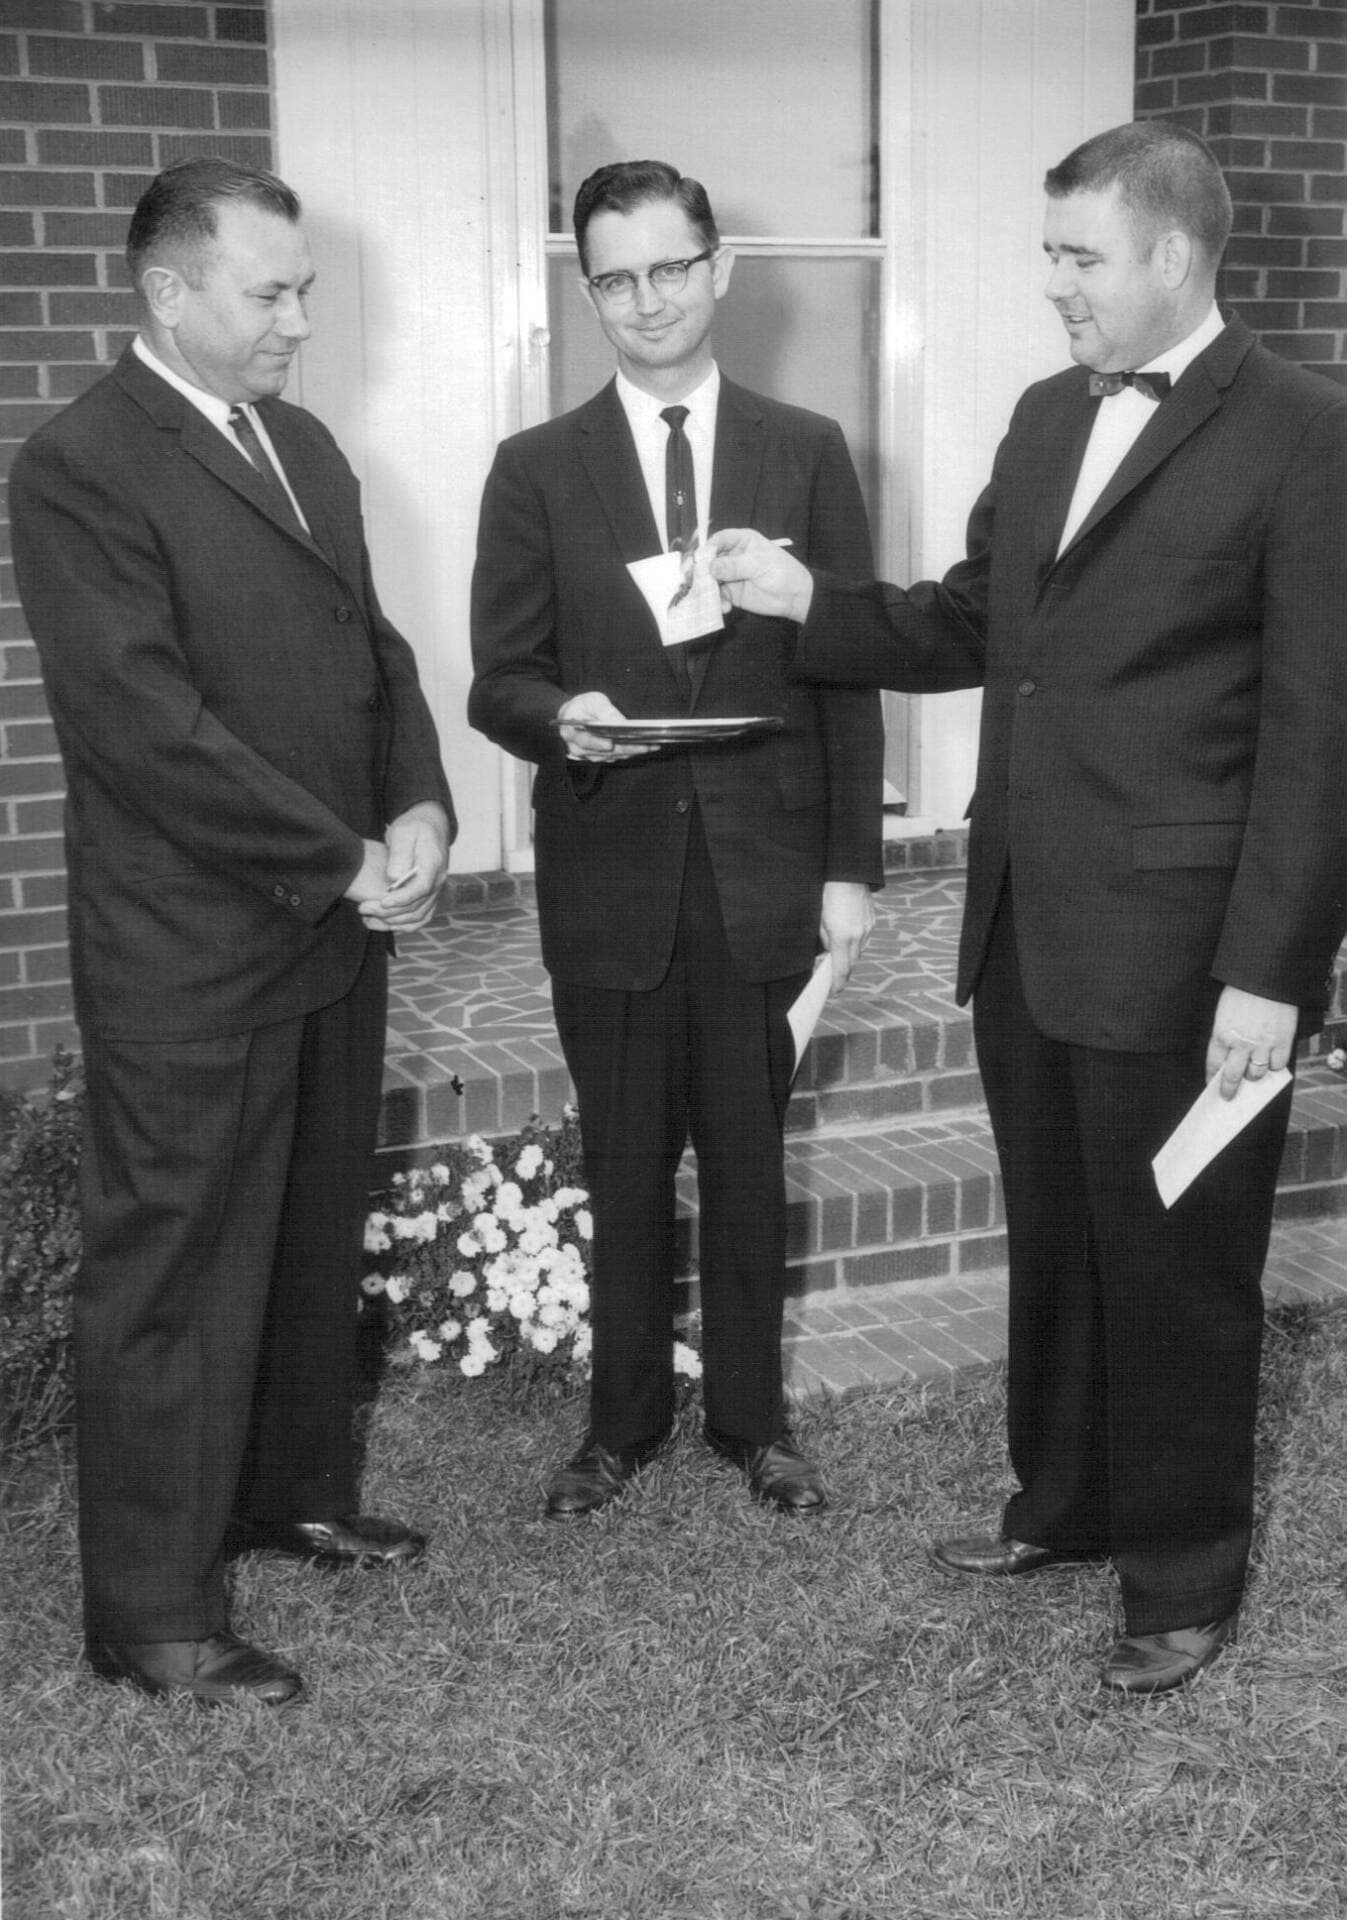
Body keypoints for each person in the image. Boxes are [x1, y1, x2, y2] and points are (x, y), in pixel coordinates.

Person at [710, 120, 1347, 1693]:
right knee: (1059, 1241)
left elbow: (1321, 731)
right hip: (1026, 931)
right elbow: (982, 620)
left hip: (1194, 956)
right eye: (1048, 250)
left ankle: (1183, 1570)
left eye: (1078, 255)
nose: (1049, 281)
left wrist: (1273, 972)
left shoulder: (1308, 434)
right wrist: (814, 606)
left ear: (1174, 259)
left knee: (1182, 1264)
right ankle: (1063, 1507)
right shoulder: (1045, 415)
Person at [10, 158, 455, 1707]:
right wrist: (337, 858)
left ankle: (285, 1492)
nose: (298, 321)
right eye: (270, 293)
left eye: (306, 290)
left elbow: (374, 652)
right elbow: (144, 727)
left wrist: (419, 811)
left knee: (305, 1230)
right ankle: (151, 1612)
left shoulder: (306, 448)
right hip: (191, 949)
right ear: (168, 292)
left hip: (333, 924)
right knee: (174, 1267)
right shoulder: (79, 464)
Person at [469, 160, 884, 1521]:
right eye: (613, 278)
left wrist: (848, 874)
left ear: (718, 271)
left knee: (755, 1160)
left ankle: (755, 1423)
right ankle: (621, 1424)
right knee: (628, 1157)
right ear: (588, 291)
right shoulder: (535, 468)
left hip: (763, 872)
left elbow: (847, 665)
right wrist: (556, 718)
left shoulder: (807, 447)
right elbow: (497, 675)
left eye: (667, 268)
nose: (644, 299)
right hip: (614, 871)